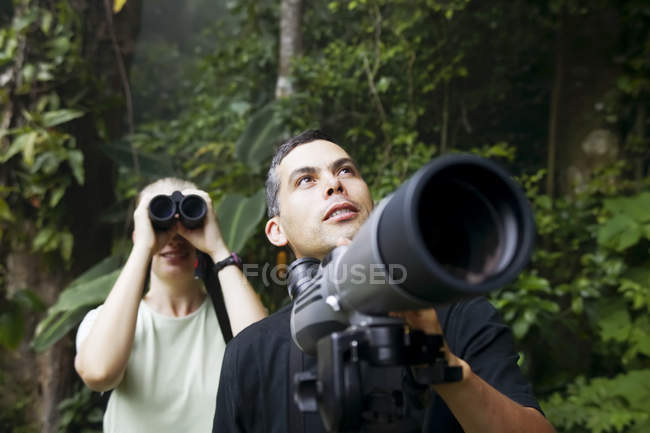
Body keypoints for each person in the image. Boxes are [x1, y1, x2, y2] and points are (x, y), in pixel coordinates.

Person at [212, 130, 557, 433]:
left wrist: (444, 368)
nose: (335, 184)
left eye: (345, 170)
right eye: (306, 180)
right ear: (277, 230)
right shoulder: (250, 353)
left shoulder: (456, 315)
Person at [74, 178, 267, 433]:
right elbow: (98, 373)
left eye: (185, 222)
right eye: (159, 222)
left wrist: (217, 248)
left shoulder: (233, 316)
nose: (174, 238)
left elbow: (266, 362)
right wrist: (144, 247)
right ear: (138, 233)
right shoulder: (107, 322)